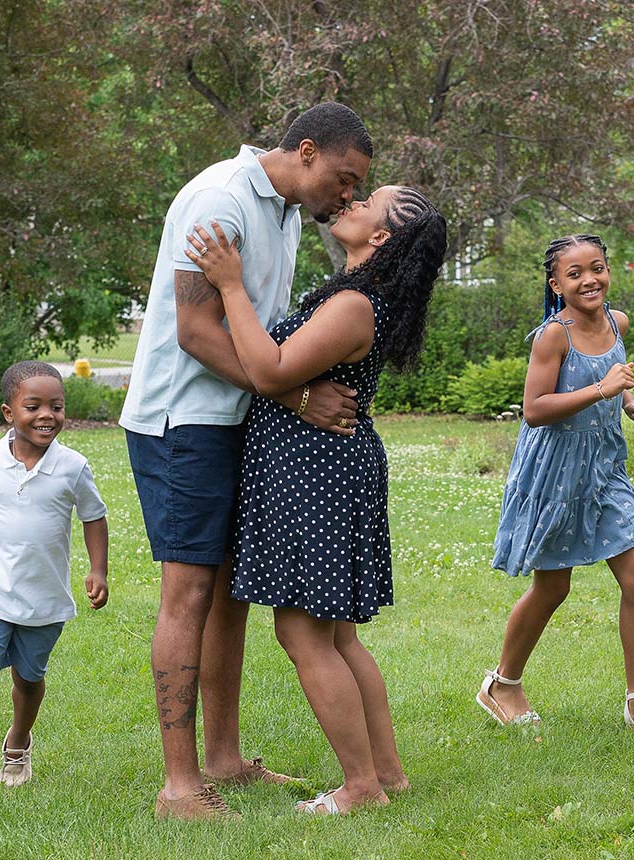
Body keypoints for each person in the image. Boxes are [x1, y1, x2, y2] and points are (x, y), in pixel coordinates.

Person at [120, 103, 373, 820]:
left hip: (239, 418)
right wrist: (295, 396)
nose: (348, 196)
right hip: (184, 422)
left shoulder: (288, 211)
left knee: (230, 592)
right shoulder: (218, 201)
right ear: (304, 151)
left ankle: (223, 760)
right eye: (344, 178)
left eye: (356, 187)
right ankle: (178, 787)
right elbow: (197, 332)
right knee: (189, 593)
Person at [185, 184, 447, 814]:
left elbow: (273, 370)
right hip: (324, 466)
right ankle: (388, 774)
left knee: (305, 635)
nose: (349, 205)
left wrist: (230, 286)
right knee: (337, 637)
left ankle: (360, 787)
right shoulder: (354, 294)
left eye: (366, 205)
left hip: (317, 471)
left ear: (381, 238)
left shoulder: (357, 303)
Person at [476, 234, 634, 734]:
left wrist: (630, 405)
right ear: (556, 284)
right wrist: (604, 389)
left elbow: (611, 388)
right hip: (555, 472)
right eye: (574, 274)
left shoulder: (619, 324)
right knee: (552, 586)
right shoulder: (553, 336)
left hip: (604, 467)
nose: (589, 280)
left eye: (597, 268)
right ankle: (502, 684)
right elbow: (534, 409)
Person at [0, 361, 110, 809]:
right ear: (10, 413)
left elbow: (94, 516)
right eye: (34, 406)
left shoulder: (73, 467)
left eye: (57, 406)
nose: (47, 414)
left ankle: (18, 740)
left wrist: (98, 569)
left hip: (44, 600)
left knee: (29, 680)